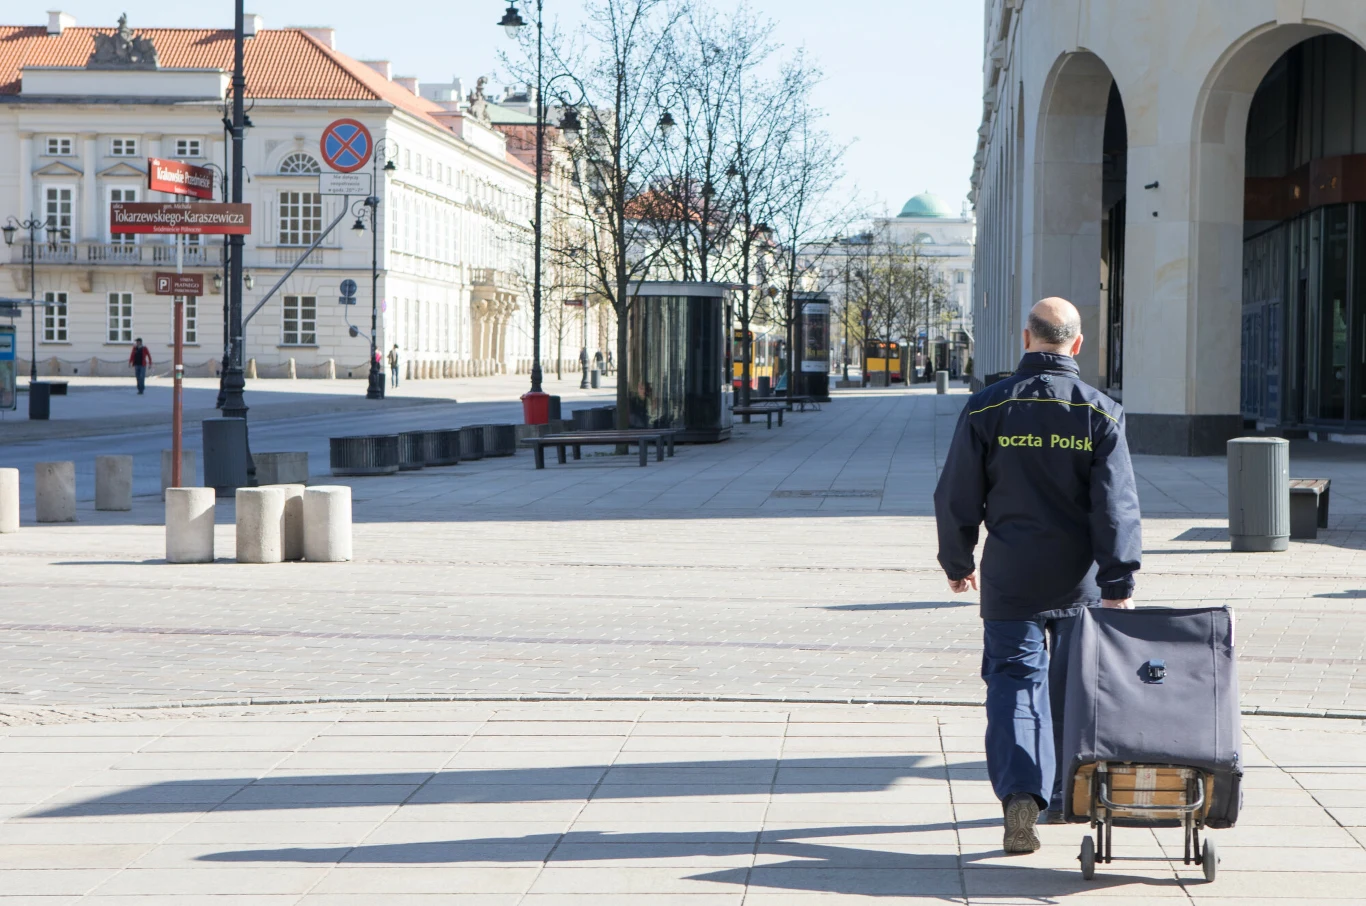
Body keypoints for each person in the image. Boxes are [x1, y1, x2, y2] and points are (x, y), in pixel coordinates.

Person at [933, 296, 1141, 854]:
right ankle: (1066, 792)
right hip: (1080, 581)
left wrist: (958, 562)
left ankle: (1021, 795)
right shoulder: (1100, 412)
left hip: (1010, 580)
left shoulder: (985, 408)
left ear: (1026, 339)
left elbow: (955, 495)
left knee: (1013, 684)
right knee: (1073, 689)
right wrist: (1119, 581)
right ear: (1076, 345)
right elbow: (1116, 506)